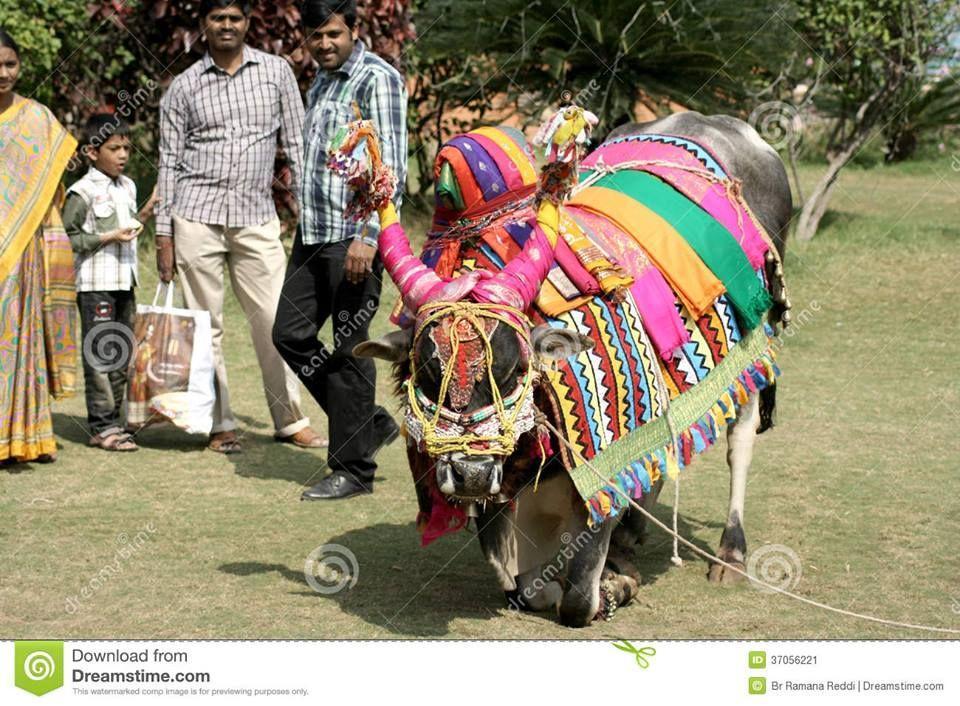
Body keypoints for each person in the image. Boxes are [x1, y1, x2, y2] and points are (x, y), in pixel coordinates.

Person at [156, 0, 325, 454]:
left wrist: (312, 214)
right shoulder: (183, 86)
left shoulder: (275, 73)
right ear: (204, 26)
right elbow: (169, 164)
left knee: (275, 322)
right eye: (218, 18)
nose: (226, 26)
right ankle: (219, 422)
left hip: (256, 218)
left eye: (234, 18)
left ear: (247, 24)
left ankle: (290, 420)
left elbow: (298, 144)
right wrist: (163, 233)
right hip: (195, 216)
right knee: (205, 325)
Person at [273, 0, 406, 500]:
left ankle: (353, 470)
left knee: (352, 345)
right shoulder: (323, 81)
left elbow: (391, 163)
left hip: (353, 238)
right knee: (289, 333)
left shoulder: (378, 78)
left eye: (333, 34)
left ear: (354, 28)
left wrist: (369, 235)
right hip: (313, 233)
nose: (324, 44)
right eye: (315, 36)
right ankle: (368, 422)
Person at [0, 27, 79, 464]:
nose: (3, 73)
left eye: (10, 64)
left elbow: (51, 183)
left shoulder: (37, 119)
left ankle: (24, 437)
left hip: (22, 250)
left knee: (19, 339)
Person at [63, 115, 141, 452]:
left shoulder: (128, 186)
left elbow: (130, 227)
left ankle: (117, 422)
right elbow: (69, 238)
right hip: (96, 285)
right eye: (114, 148)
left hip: (125, 282)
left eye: (126, 147)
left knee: (122, 353)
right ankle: (102, 426)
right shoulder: (81, 192)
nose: (123, 154)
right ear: (92, 152)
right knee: (101, 355)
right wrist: (108, 236)